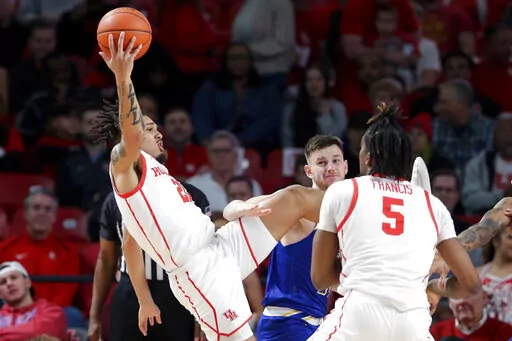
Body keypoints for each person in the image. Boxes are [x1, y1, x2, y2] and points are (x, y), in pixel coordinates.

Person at [94, 32, 327, 341]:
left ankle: (366, 215)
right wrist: (124, 78)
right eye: (149, 128)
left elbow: (132, 241)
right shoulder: (123, 167)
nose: (157, 132)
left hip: (221, 244)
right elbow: (131, 134)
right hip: (198, 273)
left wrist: (240, 211)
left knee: (296, 197)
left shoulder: (161, 176)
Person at [307, 103, 482, 341]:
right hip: (413, 321)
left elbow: (320, 277)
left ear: (367, 158)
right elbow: (471, 284)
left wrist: (362, 268)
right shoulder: (434, 205)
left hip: (360, 315)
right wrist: (434, 287)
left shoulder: (343, 191)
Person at [88, 180, 211, 341]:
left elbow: (205, 259)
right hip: (130, 295)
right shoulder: (114, 200)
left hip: (180, 295)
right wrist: (94, 316)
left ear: (164, 153)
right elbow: (105, 260)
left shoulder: (192, 196)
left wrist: (203, 314)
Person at [257, 135, 347, 341]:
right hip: (287, 320)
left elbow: (324, 280)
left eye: (336, 161)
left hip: (315, 321)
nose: (330, 167)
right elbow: (242, 207)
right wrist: (235, 208)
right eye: (322, 163)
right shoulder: (296, 204)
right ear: (308, 171)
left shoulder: (344, 216)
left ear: (345, 166)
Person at [0, 261, 67, 340]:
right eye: (3, 282)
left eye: (14, 278)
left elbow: (39, 331)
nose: (9, 283)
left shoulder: (52, 312)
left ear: (28, 282)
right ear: (0, 294)